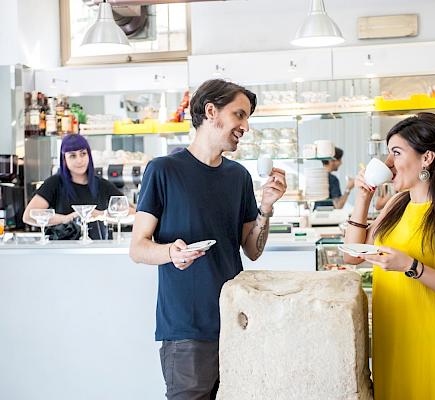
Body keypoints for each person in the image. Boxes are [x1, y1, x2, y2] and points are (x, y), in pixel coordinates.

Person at [129, 79, 286, 399]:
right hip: (187, 328)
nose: (245, 126)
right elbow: (138, 247)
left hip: (236, 322)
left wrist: (266, 207)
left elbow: (252, 249)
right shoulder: (163, 170)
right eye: (239, 115)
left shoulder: (238, 176)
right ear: (211, 111)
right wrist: (170, 253)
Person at [344, 112, 435, 399]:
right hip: (392, 332)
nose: (388, 163)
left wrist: (411, 266)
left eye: (396, 152)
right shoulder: (396, 203)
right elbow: (353, 257)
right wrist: (363, 198)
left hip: (428, 337)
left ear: (427, 158)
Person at [23, 134, 134, 239]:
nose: (79, 160)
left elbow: (133, 212)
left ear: (89, 155)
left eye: (83, 154)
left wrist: (101, 214)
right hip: (63, 251)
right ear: (64, 159)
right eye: (72, 156)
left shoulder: (102, 185)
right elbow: (28, 216)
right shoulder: (54, 183)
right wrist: (66, 218)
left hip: (98, 249)